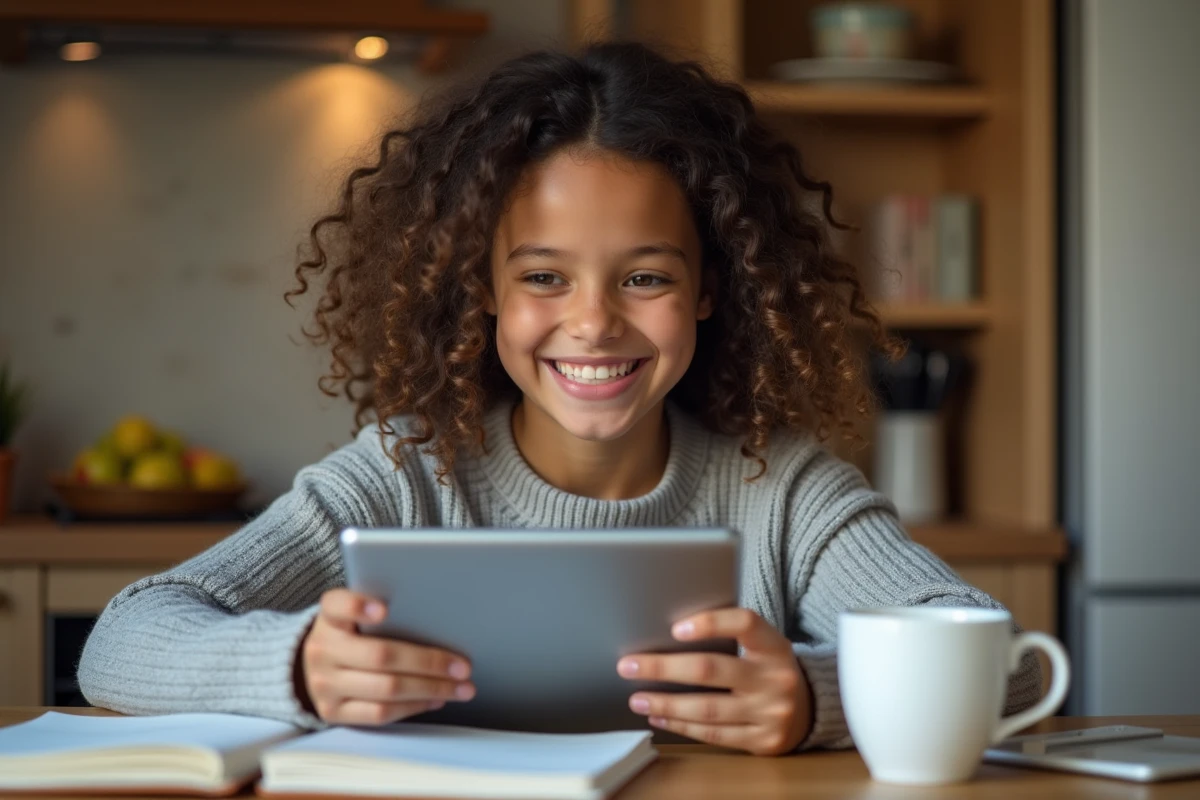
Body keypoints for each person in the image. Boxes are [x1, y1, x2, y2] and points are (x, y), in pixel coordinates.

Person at [78, 41, 1041, 756]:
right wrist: (295, 667)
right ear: (483, 291)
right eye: (543, 278)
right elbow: (123, 637)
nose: (593, 324)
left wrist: (815, 696)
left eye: (646, 279)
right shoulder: (403, 474)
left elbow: (1012, 663)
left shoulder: (781, 490)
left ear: (710, 290)